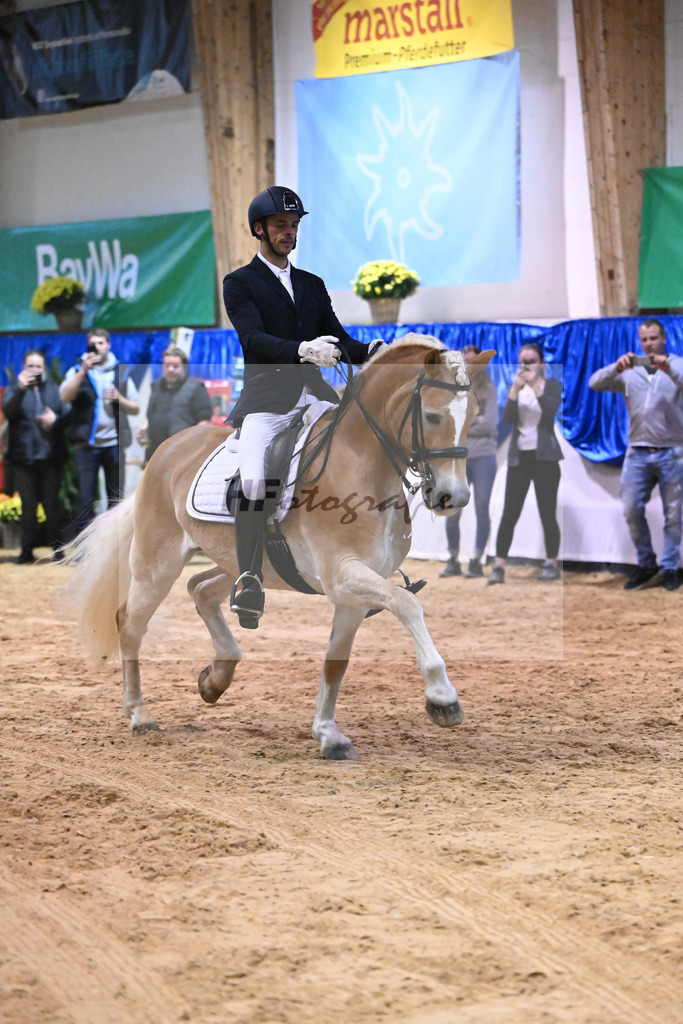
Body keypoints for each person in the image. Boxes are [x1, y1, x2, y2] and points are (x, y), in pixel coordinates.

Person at [222, 185, 377, 627]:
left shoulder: (312, 284)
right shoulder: (240, 282)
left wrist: (371, 352)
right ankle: (249, 577)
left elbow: (340, 338)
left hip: (315, 399)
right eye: (280, 226)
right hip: (267, 401)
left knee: (358, 457)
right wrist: (302, 351)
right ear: (260, 230)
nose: (289, 233)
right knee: (254, 482)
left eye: (294, 226)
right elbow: (252, 339)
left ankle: (371, 558)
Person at [589, 318, 683, 591]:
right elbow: (595, 382)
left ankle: (668, 568)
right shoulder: (630, 371)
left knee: (674, 515)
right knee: (630, 509)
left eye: (653, 338)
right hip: (638, 452)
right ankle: (646, 565)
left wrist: (669, 370)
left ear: (663, 338)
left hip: (674, 451)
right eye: (644, 340)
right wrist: (616, 366)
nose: (649, 344)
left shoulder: (677, 364)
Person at [487, 343, 562, 585]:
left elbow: (550, 412)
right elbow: (507, 419)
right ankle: (499, 566)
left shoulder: (552, 386)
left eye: (531, 360)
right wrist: (514, 390)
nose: (526, 365)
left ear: (541, 362)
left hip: (545, 458)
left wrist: (536, 386)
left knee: (547, 513)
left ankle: (551, 562)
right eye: (523, 361)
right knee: (509, 513)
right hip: (520, 459)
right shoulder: (517, 387)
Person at [59, 327, 140, 533]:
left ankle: (115, 545)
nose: (97, 347)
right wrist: (83, 371)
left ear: (108, 345)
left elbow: (136, 407)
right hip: (86, 446)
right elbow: (64, 397)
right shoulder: (77, 369)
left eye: (101, 343)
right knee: (85, 497)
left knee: (116, 497)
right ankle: (85, 549)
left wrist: (118, 398)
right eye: (92, 344)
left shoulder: (120, 370)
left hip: (114, 444)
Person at [2, 349, 70, 563]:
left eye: (38, 366)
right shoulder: (13, 389)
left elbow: (66, 417)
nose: (34, 370)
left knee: (52, 505)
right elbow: (8, 412)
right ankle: (26, 551)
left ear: (44, 369)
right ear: (24, 367)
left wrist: (55, 419)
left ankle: (58, 551)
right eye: (30, 366)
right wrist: (21, 389)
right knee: (27, 507)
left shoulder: (54, 390)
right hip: (23, 458)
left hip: (51, 457)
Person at [440, 344, 498, 578]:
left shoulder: (489, 389)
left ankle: (476, 560)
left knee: (481, 510)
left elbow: (491, 424)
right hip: (458, 458)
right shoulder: (452, 389)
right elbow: (447, 423)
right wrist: (476, 419)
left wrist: (464, 422)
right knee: (451, 510)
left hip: (483, 457)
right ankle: (453, 558)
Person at [136, 345, 213, 462]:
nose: (170, 369)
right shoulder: (156, 386)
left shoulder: (196, 388)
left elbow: (204, 422)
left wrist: (193, 446)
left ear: (185, 367)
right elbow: (149, 415)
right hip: (155, 453)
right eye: (167, 366)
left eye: (175, 366)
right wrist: (143, 429)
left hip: (183, 455)